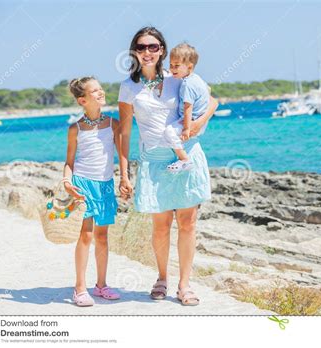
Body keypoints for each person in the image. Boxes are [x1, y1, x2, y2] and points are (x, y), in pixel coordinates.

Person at [118, 27, 218, 305]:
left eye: (153, 46)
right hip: (154, 161)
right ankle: (162, 277)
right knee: (161, 226)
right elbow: (124, 132)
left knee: (188, 224)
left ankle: (185, 285)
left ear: (162, 49)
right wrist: (124, 174)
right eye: (141, 47)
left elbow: (212, 101)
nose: (147, 52)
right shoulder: (129, 87)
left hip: (186, 157)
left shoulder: (178, 76)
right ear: (134, 51)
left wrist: (198, 123)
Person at [63, 76, 125, 306]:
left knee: (102, 237)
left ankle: (101, 285)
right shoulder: (75, 129)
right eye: (94, 91)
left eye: (101, 89)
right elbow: (69, 162)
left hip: (105, 184)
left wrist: (124, 178)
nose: (101, 93)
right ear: (82, 100)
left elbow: (121, 155)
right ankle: (80, 288)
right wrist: (67, 181)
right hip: (83, 185)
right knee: (86, 235)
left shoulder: (113, 123)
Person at [164, 43, 210, 173]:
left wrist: (186, 128)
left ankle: (184, 159)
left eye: (176, 66)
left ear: (189, 66)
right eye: (171, 65)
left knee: (169, 132)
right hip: (200, 120)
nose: (172, 69)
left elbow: (188, 107)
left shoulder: (187, 84)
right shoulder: (197, 79)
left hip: (191, 120)